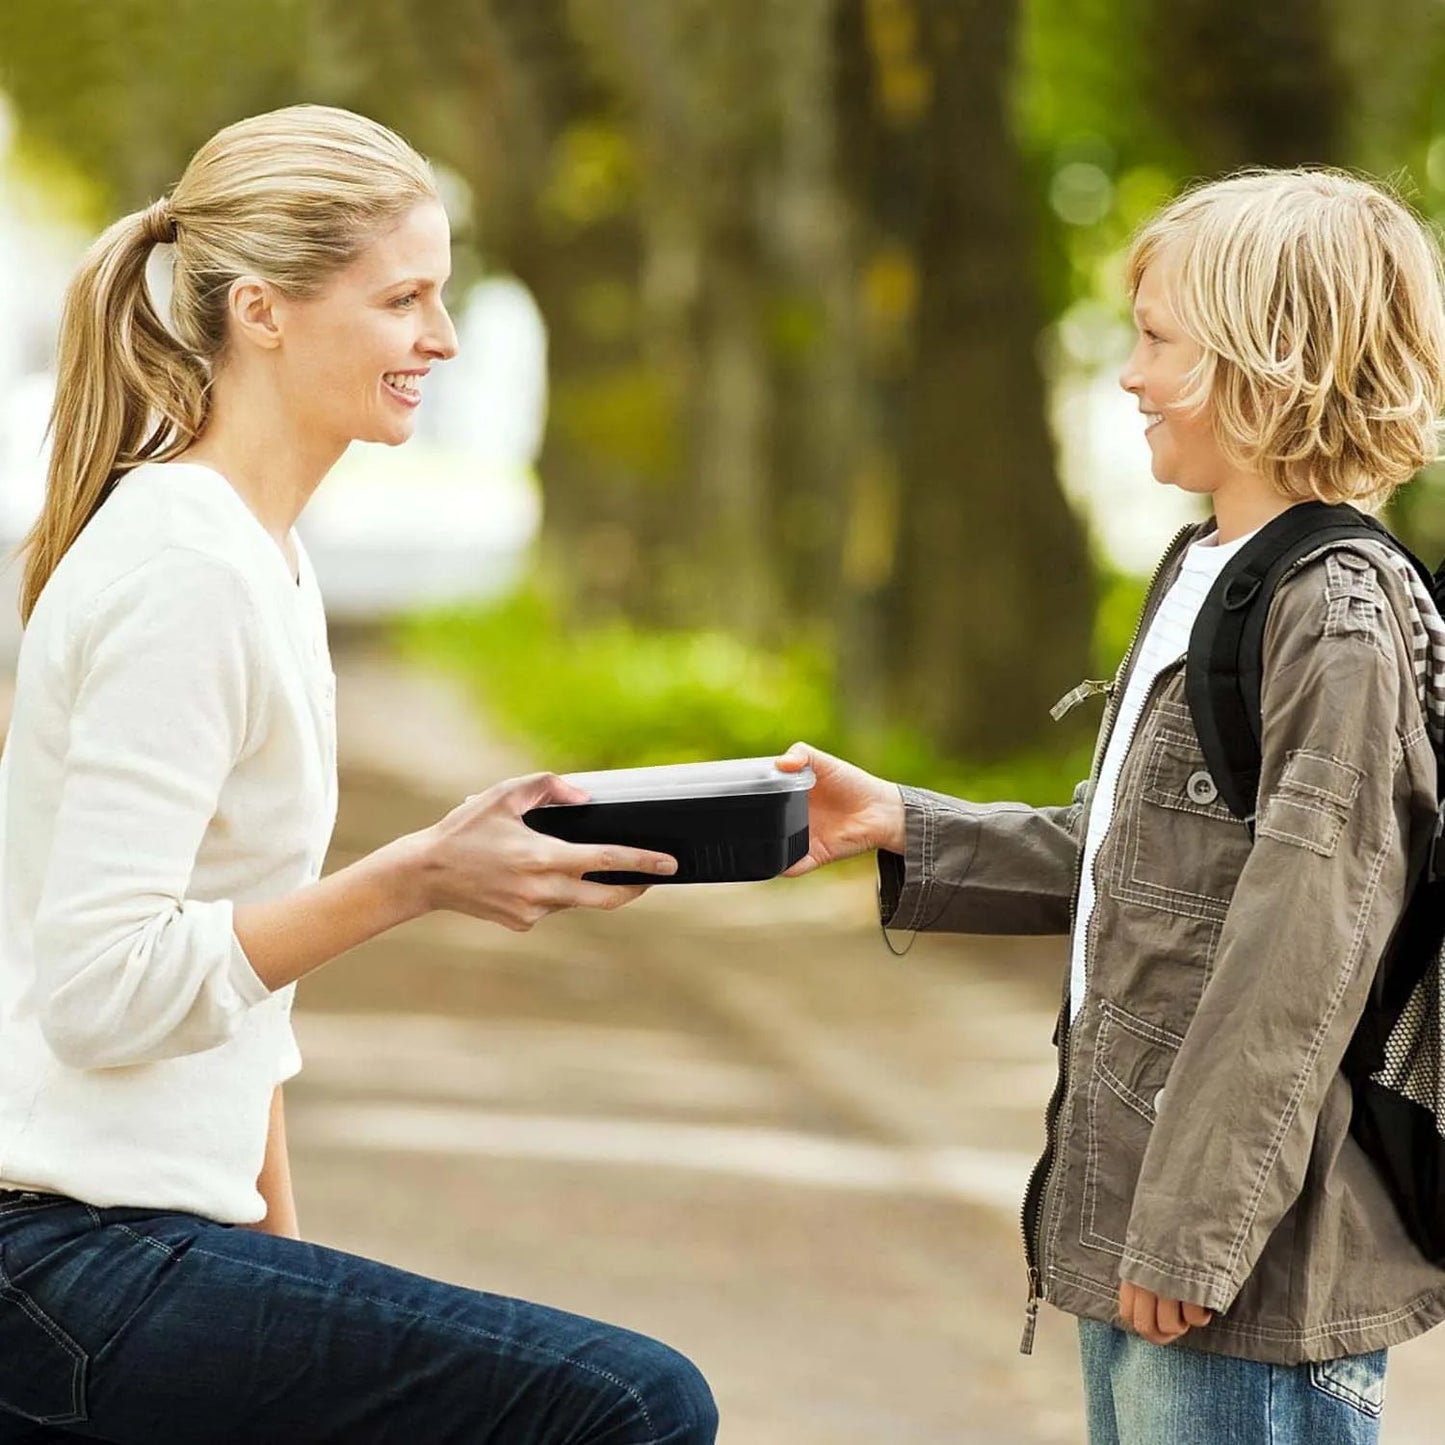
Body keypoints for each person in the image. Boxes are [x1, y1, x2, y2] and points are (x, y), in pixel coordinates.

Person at [0, 104, 716, 1444]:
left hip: (129, 1243)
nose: (440, 339)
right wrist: (417, 875)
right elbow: (104, 990)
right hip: (60, 1259)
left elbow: (236, 992)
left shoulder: (253, 557)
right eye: (405, 299)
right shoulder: (184, 574)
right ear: (264, 312)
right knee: (629, 1404)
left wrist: (281, 1244)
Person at [778, 168, 1445, 1444]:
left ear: (1269, 359)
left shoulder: (1331, 613)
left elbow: (1297, 954)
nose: (1128, 377)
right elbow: (1136, 863)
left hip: (1241, 1262)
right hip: (1141, 1214)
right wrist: (903, 826)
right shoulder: (1209, 571)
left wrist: (1195, 1231)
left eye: (1156, 342)